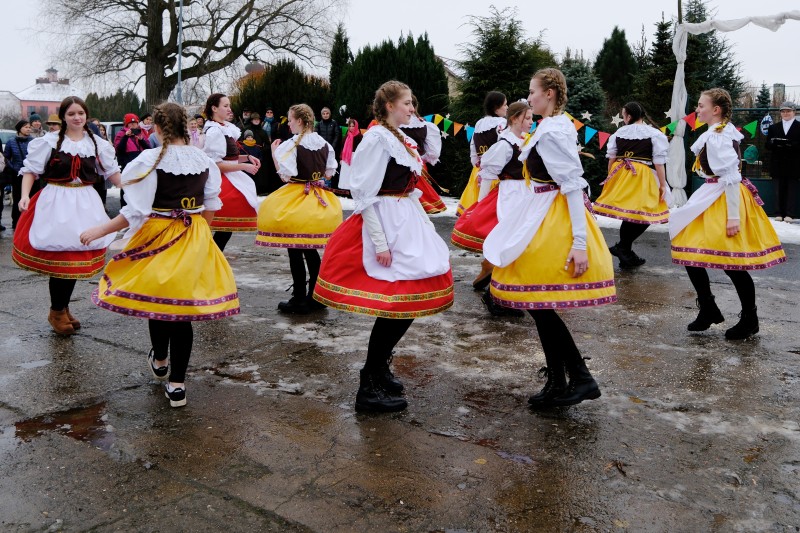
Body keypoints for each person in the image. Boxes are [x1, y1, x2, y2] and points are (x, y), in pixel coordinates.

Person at [79, 102, 240, 408]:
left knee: (159, 300)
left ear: (157, 128)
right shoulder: (203, 159)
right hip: (193, 234)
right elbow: (211, 204)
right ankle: (177, 384)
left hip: (159, 232)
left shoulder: (150, 160)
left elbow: (136, 210)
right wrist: (202, 235)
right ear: (184, 126)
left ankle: (162, 360)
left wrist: (100, 230)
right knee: (183, 308)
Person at [313, 81, 454, 413]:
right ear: (389, 105)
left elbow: (408, 184)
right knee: (395, 306)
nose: (411, 108)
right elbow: (365, 195)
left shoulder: (400, 138)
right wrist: (380, 242)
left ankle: (378, 368)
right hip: (386, 224)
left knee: (407, 303)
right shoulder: (376, 139)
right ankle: (368, 383)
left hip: (405, 218)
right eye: (406, 103)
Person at [484, 68, 616, 409]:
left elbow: (571, 186)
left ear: (551, 94)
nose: (529, 98)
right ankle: (558, 380)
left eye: (533, 92)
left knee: (540, 304)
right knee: (538, 304)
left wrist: (579, 242)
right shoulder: (550, 127)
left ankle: (581, 378)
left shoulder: (555, 131)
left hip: (553, 222)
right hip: (541, 213)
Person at [670, 88, 787, 340]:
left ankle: (749, 318)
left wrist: (733, 217)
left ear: (716, 110)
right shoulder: (716, 133)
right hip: (712, 195)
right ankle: (709, 307)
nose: (697, 110)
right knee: (689, 251)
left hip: (725, 199)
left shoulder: (719, 136)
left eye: (701, 106)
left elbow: (731, 177)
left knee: (731, 262)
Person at [12, 96, 122, 335]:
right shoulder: (49, 142)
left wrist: (139, 189)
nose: (77, 118)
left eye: (80, 113)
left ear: (86, 115)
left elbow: (112, 173)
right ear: (63, 117)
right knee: (63, 258)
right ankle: (57, 310)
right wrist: (24, 195)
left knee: (74, 260)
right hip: (56, 202)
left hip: (85, 202)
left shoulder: (97, 144)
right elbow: (31, 170)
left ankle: (61, 307)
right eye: (71, 114)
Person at [256, 104, 341, 313]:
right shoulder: (324, 144)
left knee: (294, 248)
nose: (289, 123)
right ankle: (316, 295)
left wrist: (275, 153)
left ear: (300, 121)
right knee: (311, 249)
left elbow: (286, 175)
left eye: (291, 119)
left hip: (297, 197)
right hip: (317, 196)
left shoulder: (292, 144)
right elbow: (329, 174)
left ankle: (299, 298)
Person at [452, 101, 533, 316]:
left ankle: (504, 294)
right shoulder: (505, 144)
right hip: (509, 196)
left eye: (531, 118)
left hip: (525, 195)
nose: (531, 122)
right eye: (527, 118)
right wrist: (481, 205)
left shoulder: (526, 140)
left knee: (520, 246)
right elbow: (487, 173)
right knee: (509, 245)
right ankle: (496, 297)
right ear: (514, 118)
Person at [593, 101, 670, 268]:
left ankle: (625, 252)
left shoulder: (619, 133)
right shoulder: (653, 134)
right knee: (645, 213)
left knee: (630, 214)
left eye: (623, 115)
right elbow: (658, 161)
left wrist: (610, 177)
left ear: (629, 115)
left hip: (620, 172)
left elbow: (611, 157)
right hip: (641, 175)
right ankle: (623, 248)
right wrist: (662, 184)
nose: (623, 118)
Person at [202, 93, 260, 251]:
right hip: (219, 180)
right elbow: (216, 164)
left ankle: (212, 255)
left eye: (229, 105)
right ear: (214, 108)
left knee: (225, 229)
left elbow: (229, 158)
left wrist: (247, 158)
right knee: (222, 226)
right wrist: (244, 166)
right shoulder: (214, 131)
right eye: (225, 106)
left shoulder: (224, 129)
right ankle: (210, 255)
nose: (229, 109)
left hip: (229, 177)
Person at [457, 91, 507, 215]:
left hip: (479, 170)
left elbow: (473, 147)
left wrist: (476, 164)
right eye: (505, 104)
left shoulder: (479, 123)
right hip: (497, 172)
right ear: (496, 108)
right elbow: (505, 147)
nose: (507, 107)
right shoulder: (502, 124)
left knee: (479, 202)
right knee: (492, 208)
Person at [399, 102, 447, 214]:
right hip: (418, 165)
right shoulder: (425, 125)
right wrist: (421, 158)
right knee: (415, 201)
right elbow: (434, 153)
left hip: (395, 169)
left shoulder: (391, 125)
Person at [765, 101, 799, 221]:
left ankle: (790, 214)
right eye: (783, 111)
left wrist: (789, 144)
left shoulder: (799, 126)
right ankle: (778, 213)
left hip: (794, 163)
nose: (785, 113)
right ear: (780, 113)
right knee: (778, 189)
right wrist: (775, 143)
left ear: (794, 112)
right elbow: (767, 145)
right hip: (777, 163)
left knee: (791, 189)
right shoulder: (774, 127)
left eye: (788, 111)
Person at [4, 120, 37, 230]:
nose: (28, 129)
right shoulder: (11, 142)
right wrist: (13, 168)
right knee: (17, 198)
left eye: (29, 127)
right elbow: (6, 158)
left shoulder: (33, 141)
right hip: (17, 175)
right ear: (19, 129)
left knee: (31, 199)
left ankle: (30, 222)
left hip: (31, 174)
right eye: (25, 127)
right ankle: (16, 223)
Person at [337, 118, 363, 191]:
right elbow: (342, 148)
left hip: (355, 157)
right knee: (346, 174)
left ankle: (353, 190)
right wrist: (341, 158)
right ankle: (345, 189)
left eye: (353, 126)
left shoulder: (359, 136)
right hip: (346, 157)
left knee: (353, 174)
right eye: (350, 126)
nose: (351, 128)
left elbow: (362, 149)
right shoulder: (347, 136)